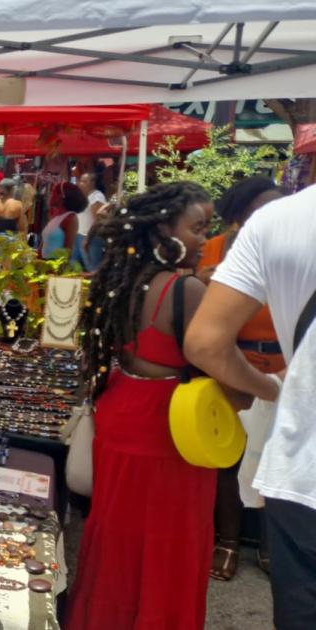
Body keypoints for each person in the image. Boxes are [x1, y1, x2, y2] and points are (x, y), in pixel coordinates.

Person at [68, 181, 214, 630]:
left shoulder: (123, 281)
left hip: (122, 409)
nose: (205, 239)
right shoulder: (185, 290)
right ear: (163, 229)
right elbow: (216, 364)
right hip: (169, 425)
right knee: (169, 542)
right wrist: (268, 386)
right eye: (197, 228)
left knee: (118, 539)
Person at [185, 183, 316, 630]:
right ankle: (230, 541)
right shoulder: (227, 246)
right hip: (252, 372)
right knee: (234, 461)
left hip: (286, 395)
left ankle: (261, 546)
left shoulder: (279, 224)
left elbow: (205, 341)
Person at [192, 176, 285, 582]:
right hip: (231, 362)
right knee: (227, 456)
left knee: (277, 456)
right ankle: (228, 541)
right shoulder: (215, 250)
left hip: (286, 365)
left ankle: (269, 543)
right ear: (239, 218)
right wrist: (202, 281)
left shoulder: (294, 249)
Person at [40, 183, 86, 258]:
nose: (50, 195)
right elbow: (45, 243)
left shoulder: (71, 218)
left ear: (61, 197)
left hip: (55, 264)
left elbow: (67, 252)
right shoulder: (55, 216)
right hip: (43, 263)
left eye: (53, 192)